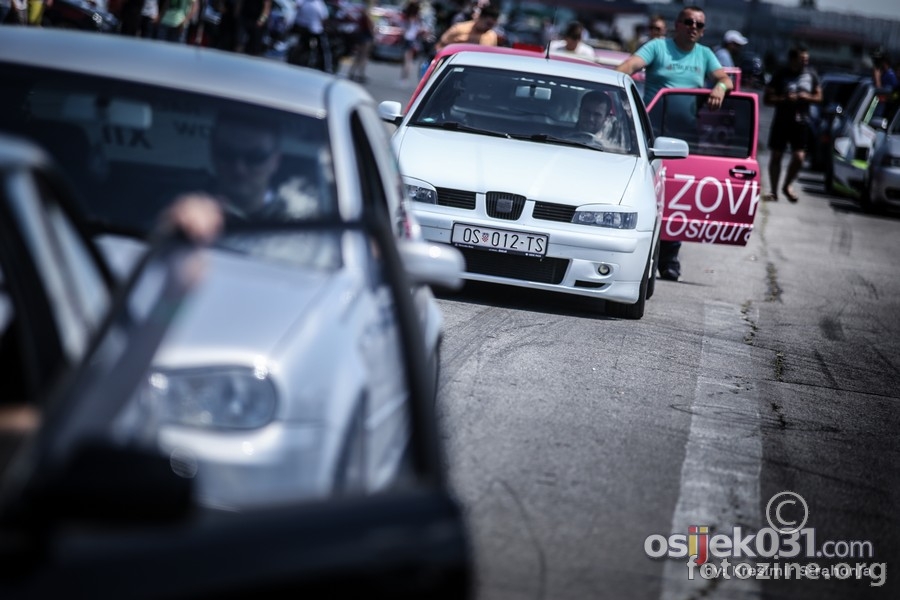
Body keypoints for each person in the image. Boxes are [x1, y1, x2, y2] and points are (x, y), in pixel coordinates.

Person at [615, 6, 732, 282]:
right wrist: (613, 85)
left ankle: (669, 260)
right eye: (689, 22)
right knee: (650, 197)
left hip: (686, 138)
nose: (694, 27)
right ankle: (645, 256)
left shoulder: (705, 54)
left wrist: (720, 87)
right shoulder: (658, 46)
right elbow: (628, 68)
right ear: (677, 24)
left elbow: (725, 79)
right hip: (652, 136)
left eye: (700, 25)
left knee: (676, 199)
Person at [764, 44, 822, 203]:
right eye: (802, 60)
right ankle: (774, 191)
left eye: (807, 60)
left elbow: (819, 97)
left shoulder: (811, 75)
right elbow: (767, 99)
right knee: (776, 155)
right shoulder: (780, 74)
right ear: (792, 59)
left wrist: (806, 97)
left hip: (801, 121)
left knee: (799, 157)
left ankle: (787, 185)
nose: (805, 63)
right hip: (782, 120)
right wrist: (784, 99)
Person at [433, 1, 498, 52]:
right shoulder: (459, 29)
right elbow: (440, 46)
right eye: (488, 24)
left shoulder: (491, 36)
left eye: (493, 25)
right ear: (480, 18)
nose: (490, 28)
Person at [291, 0, 332, 72]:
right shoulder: (302, 1)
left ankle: (326, 67)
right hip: (302, 28)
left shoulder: (319, 3)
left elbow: (324, 18)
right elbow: (295, 7)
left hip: (315, 29)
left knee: (323, 47)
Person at [346, 1, 373, 82]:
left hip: (361, 35)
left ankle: (353, 73)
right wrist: (373, 35)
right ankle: (360, 74)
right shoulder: (366, 13)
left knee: (359, 56)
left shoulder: (362, 11)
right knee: (363, 56)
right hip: (366, 36)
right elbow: (369, 26)